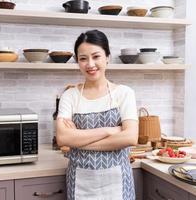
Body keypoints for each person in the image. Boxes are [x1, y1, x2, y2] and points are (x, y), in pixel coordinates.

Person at [56, 29, 138, 200]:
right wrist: (109, 131)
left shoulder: (124, 93)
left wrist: (77, 141)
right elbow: (63, 139)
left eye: (96, 56)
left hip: (118, 184)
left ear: (107, 56)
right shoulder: (69, 95)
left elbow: (130, 137)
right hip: (80, 183)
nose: (90, 64)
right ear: (77, 61)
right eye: (83, 58)